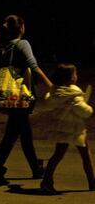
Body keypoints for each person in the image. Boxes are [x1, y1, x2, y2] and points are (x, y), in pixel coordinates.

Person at [0, 14, 53, 186]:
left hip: (10, 96)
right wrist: (50, 84)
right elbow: (33, 66)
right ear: (21, 28)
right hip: (20, 97)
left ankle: (36, 169)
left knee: (24, 134)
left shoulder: (3, 47)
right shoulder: (22, 44)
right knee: (11, 136)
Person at [40, 63, 94, 194]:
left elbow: (48, 102)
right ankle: (92, 182)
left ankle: (47, 180)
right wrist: (89, 109)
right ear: (70, 78)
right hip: (75, 129)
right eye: (75, 74)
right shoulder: (74, 95)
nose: (77, 76)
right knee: (86, 154)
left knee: (58, 154)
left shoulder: (56, 93)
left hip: (62, 128)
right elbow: (84, 112)